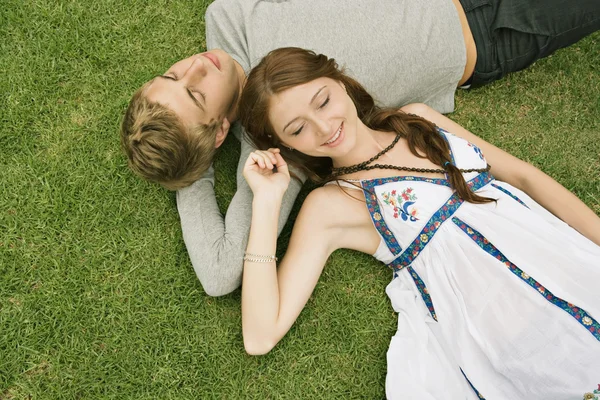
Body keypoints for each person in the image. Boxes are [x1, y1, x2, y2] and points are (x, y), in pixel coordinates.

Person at [120, 0, 600, 296]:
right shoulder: (277, 143)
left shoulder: (227, 15)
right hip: (492, 34)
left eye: (171, 75)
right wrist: (193, 167)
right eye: (195, 93)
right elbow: (220, 273)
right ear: (219, 132)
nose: (194, 67)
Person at [237, 47, 600, 398]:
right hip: (519, 336)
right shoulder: (332, 204)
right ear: (283, 144)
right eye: (298, 129)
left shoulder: (416, 119)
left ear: (340, 82)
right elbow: (260, 335)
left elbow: (523, 178)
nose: (324, 126)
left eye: (323, 101)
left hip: (572, 268)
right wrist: (268, 203)